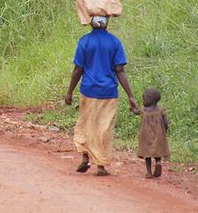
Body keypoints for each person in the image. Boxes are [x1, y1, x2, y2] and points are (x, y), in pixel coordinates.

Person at [65, 15, 137, 176]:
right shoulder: (114, 42)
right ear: (107, 22)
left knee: (86, 124)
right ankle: (101, 166)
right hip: (108, 93)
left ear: (90, 22)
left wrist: (69, 91)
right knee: (104, 128)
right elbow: (120, 71)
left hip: (88, 90)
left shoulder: (85, 42)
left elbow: (78, 69)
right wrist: (131, 96)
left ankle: (85, 156)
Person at [132, 88, 170, 178]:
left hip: (145, 135)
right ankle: (158, 162)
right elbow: (166, 123)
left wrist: (132, 108)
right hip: (158, 135)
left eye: (144, 99)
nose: (143, 101)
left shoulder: (144, 110)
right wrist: (165, 130)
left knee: (147, 155)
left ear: (150, 100)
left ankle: (149, 172)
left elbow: (136, 112)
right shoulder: (161, 110)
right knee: (157, 151)